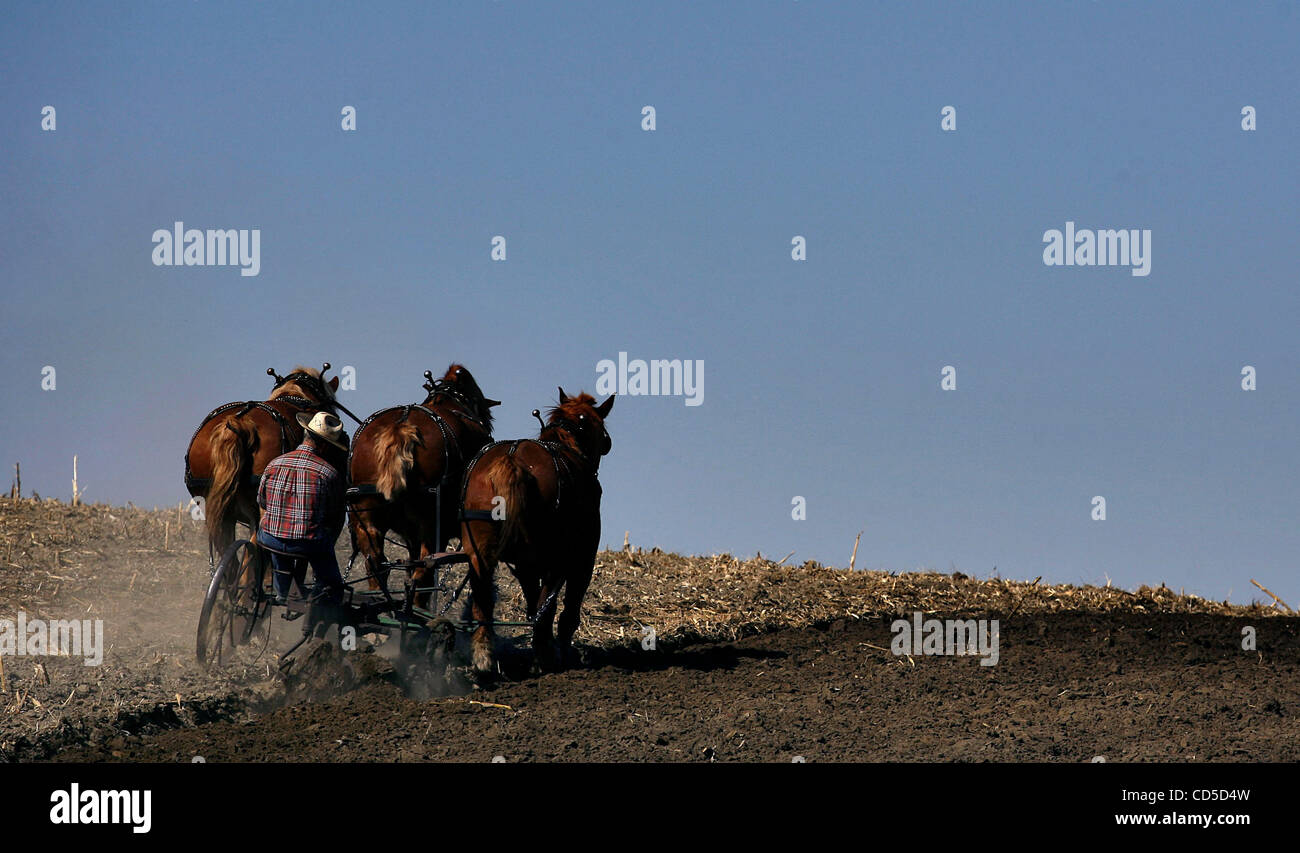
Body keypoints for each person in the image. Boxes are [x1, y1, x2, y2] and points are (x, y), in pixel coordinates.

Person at [256, 412, 349, 619]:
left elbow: (262, 503)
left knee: (277, 540)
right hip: (306, 543)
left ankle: (282, 591)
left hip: (269, 538)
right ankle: (324, 595)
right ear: (325, 445)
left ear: (306, 433)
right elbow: (333, 515)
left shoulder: (274, 463)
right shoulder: (328, 473)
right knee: (332, 580)